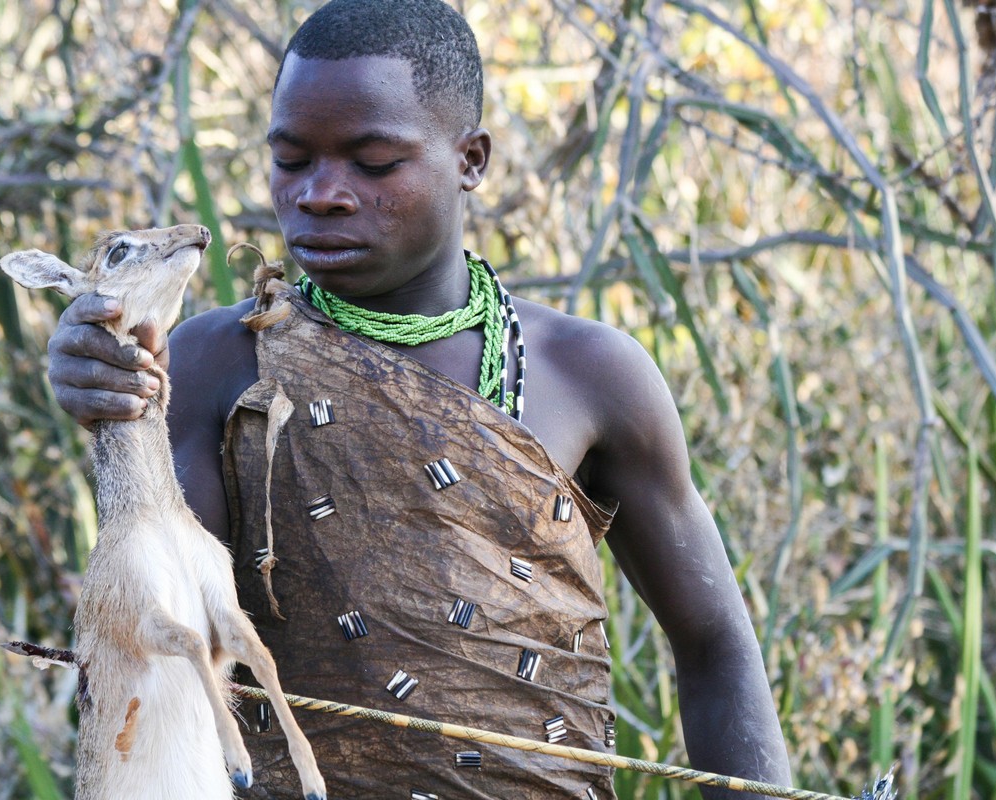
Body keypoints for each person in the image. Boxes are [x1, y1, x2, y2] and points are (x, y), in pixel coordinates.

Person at [45, 0, 791, 797]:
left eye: (373, 163)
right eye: (292, 160)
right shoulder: (214, 360)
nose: (322, 194)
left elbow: (715, 645)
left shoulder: (590, 374)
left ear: (470, 159)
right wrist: (116, 409)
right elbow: (161, 634)